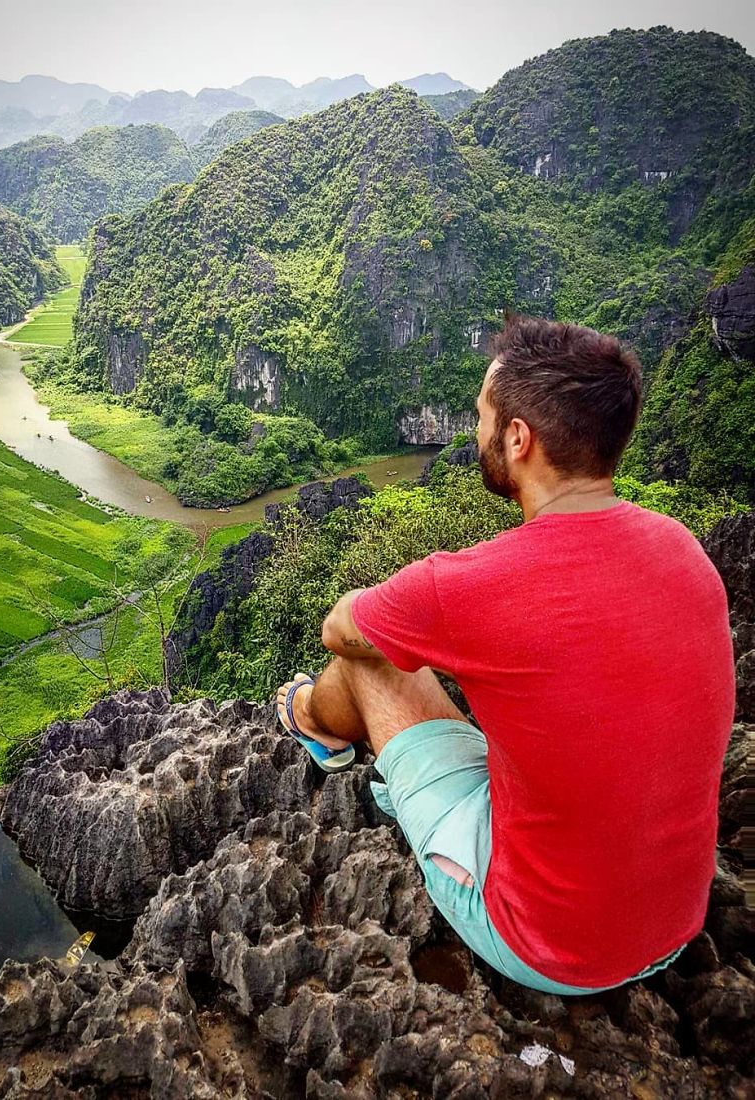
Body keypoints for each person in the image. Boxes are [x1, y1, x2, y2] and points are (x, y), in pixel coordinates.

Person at [275, 314, 736, 994]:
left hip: (551, 946)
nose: (475, 432)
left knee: (366, 654)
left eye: (483, 416)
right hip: (676, 924)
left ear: (518, 438)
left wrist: (395, 619)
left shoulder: (473, 584)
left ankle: (308, 718)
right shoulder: (687, 553)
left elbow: (340, 627)